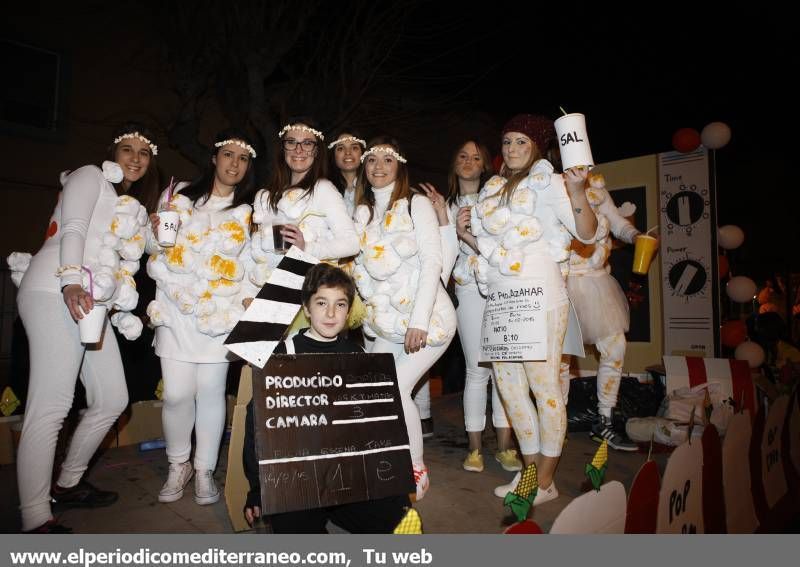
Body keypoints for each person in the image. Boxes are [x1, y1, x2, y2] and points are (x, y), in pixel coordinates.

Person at [13, 122, 160, 532]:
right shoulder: (89, 175)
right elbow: (74, 228)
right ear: (112, 153)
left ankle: (68, 482)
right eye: (127, 149)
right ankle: (35, 517)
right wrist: (71, 279)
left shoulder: (119, 202)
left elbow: (131, 254)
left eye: (143, 153)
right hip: (55, 288)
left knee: (113, 398)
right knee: (52, 405)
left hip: (89, 301)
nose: (135, 158)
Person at [462, 114, 597, 506]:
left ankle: (545, 482)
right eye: (506, 142)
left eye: (521, 142)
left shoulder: (552, 183)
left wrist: (576, 191)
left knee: (544, 389)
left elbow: (586, 233)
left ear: (537, 146)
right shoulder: (492, 191)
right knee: (510, 390)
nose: (512, 149)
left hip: (540, 299)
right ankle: (531, 470)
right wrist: (466, 234)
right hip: (500, 302)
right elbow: (492, 252)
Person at [242, 263, 412, 533]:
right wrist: (257, 489)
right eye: (322, 303)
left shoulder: (358, 357)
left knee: (401, 521)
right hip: (299, 483)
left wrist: (394, 482)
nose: (331, 313)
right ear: (307, 309)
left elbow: (378, 428)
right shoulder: (281, 356)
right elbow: (258, 426)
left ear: (348, 310)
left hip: (350, 480)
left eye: (340, 304)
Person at [146, 128, 258, 506]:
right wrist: (152, 228)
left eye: (242, 159)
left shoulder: (246, 213)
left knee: (211, 392)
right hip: (177, 312)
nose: (234, 164)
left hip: (218, 316)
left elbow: (247, 264)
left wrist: (247, 302)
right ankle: (179, 464)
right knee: (177, 394)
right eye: (228, 155)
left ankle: (205, 469)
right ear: (214, 158)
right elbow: (154, 248)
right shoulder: (179, 200)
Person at [352, 136, 457, 500]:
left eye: (387, 160)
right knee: (379, 392)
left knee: (396, 389)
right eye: (372, 161)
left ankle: (416, 467)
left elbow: (433, 262)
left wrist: (420, 320)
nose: (378, 167)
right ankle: (385, 459)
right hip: (387, 321)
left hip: (429, 319)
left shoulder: (416, 204)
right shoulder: (363, 212)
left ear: (400, 166)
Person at [440, 140, 521, 473]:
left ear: (486, 164)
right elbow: (443, 253)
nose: (469, 161)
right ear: (454, 164)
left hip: (501, 287)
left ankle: (505, 447)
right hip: (469, 289)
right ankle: (474, 448)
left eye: (476, 156)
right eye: (462, 156)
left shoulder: (498, 198)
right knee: (477, 369)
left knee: (504, 369)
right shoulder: (443, 205)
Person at [559, 171, 643, 451]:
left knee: (615, 349)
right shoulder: (550, 184)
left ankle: (604, 420)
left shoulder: (597, 188)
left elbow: (618, 224)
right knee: (560, 360)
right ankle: (556, 425)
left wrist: (636, 236)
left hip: (597, 284)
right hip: (561, 282)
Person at [248, 119, 360, 291]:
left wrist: (307, 247)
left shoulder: (323, 189)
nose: (298, 150)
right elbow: (259, 256)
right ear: (283, 149)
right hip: (270, 295)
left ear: (316, 151)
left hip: (307, 295)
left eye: (307, 143)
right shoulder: (269, 195)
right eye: (291, 142)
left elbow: (352, 243)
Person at [327, 129, 367, 217]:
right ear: (333, 155)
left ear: (362, 153)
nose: (348, 152)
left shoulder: (373, 188)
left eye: (354, 148)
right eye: (341, 148)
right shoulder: (325, 189)